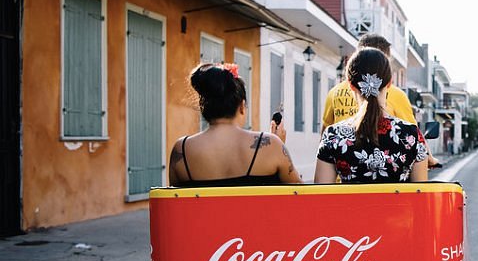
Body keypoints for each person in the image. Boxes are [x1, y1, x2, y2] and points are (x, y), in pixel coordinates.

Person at [168, 63, 302, 187]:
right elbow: (301, 193)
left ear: (204, 108)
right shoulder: (270, 144)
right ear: (242, 107)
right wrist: (279, 144)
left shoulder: (182, 150)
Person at [322, 33, 441, 168]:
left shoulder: (334, 93)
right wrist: (431, 159)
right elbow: (416, 139)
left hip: (341, 182)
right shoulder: (397, 95)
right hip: (389, 185)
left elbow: (324, 134)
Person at [314, 47, 428, 183]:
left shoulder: (333, 135)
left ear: (350, 85)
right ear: (390, 83)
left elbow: (321, 197)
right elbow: (420, 195)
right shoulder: (412, 135)